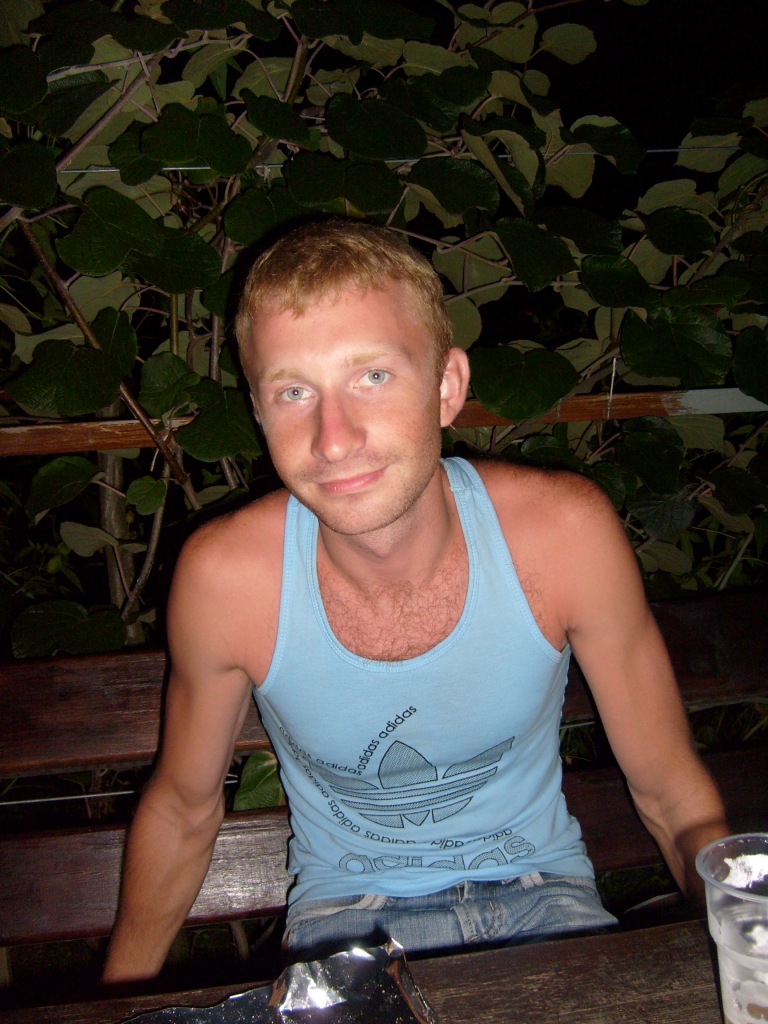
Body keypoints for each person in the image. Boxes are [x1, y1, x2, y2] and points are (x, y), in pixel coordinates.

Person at [103, 219, 728, 982]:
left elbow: (669, 788)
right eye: (294, 391)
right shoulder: (229, 579)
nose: (334, 439)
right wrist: (112, 1004)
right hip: (343, 926)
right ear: (260, 414)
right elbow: (183, 809)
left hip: (547, 904)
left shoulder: (562, 535)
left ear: (446, 388)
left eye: (372, 376)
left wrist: (743, 951)